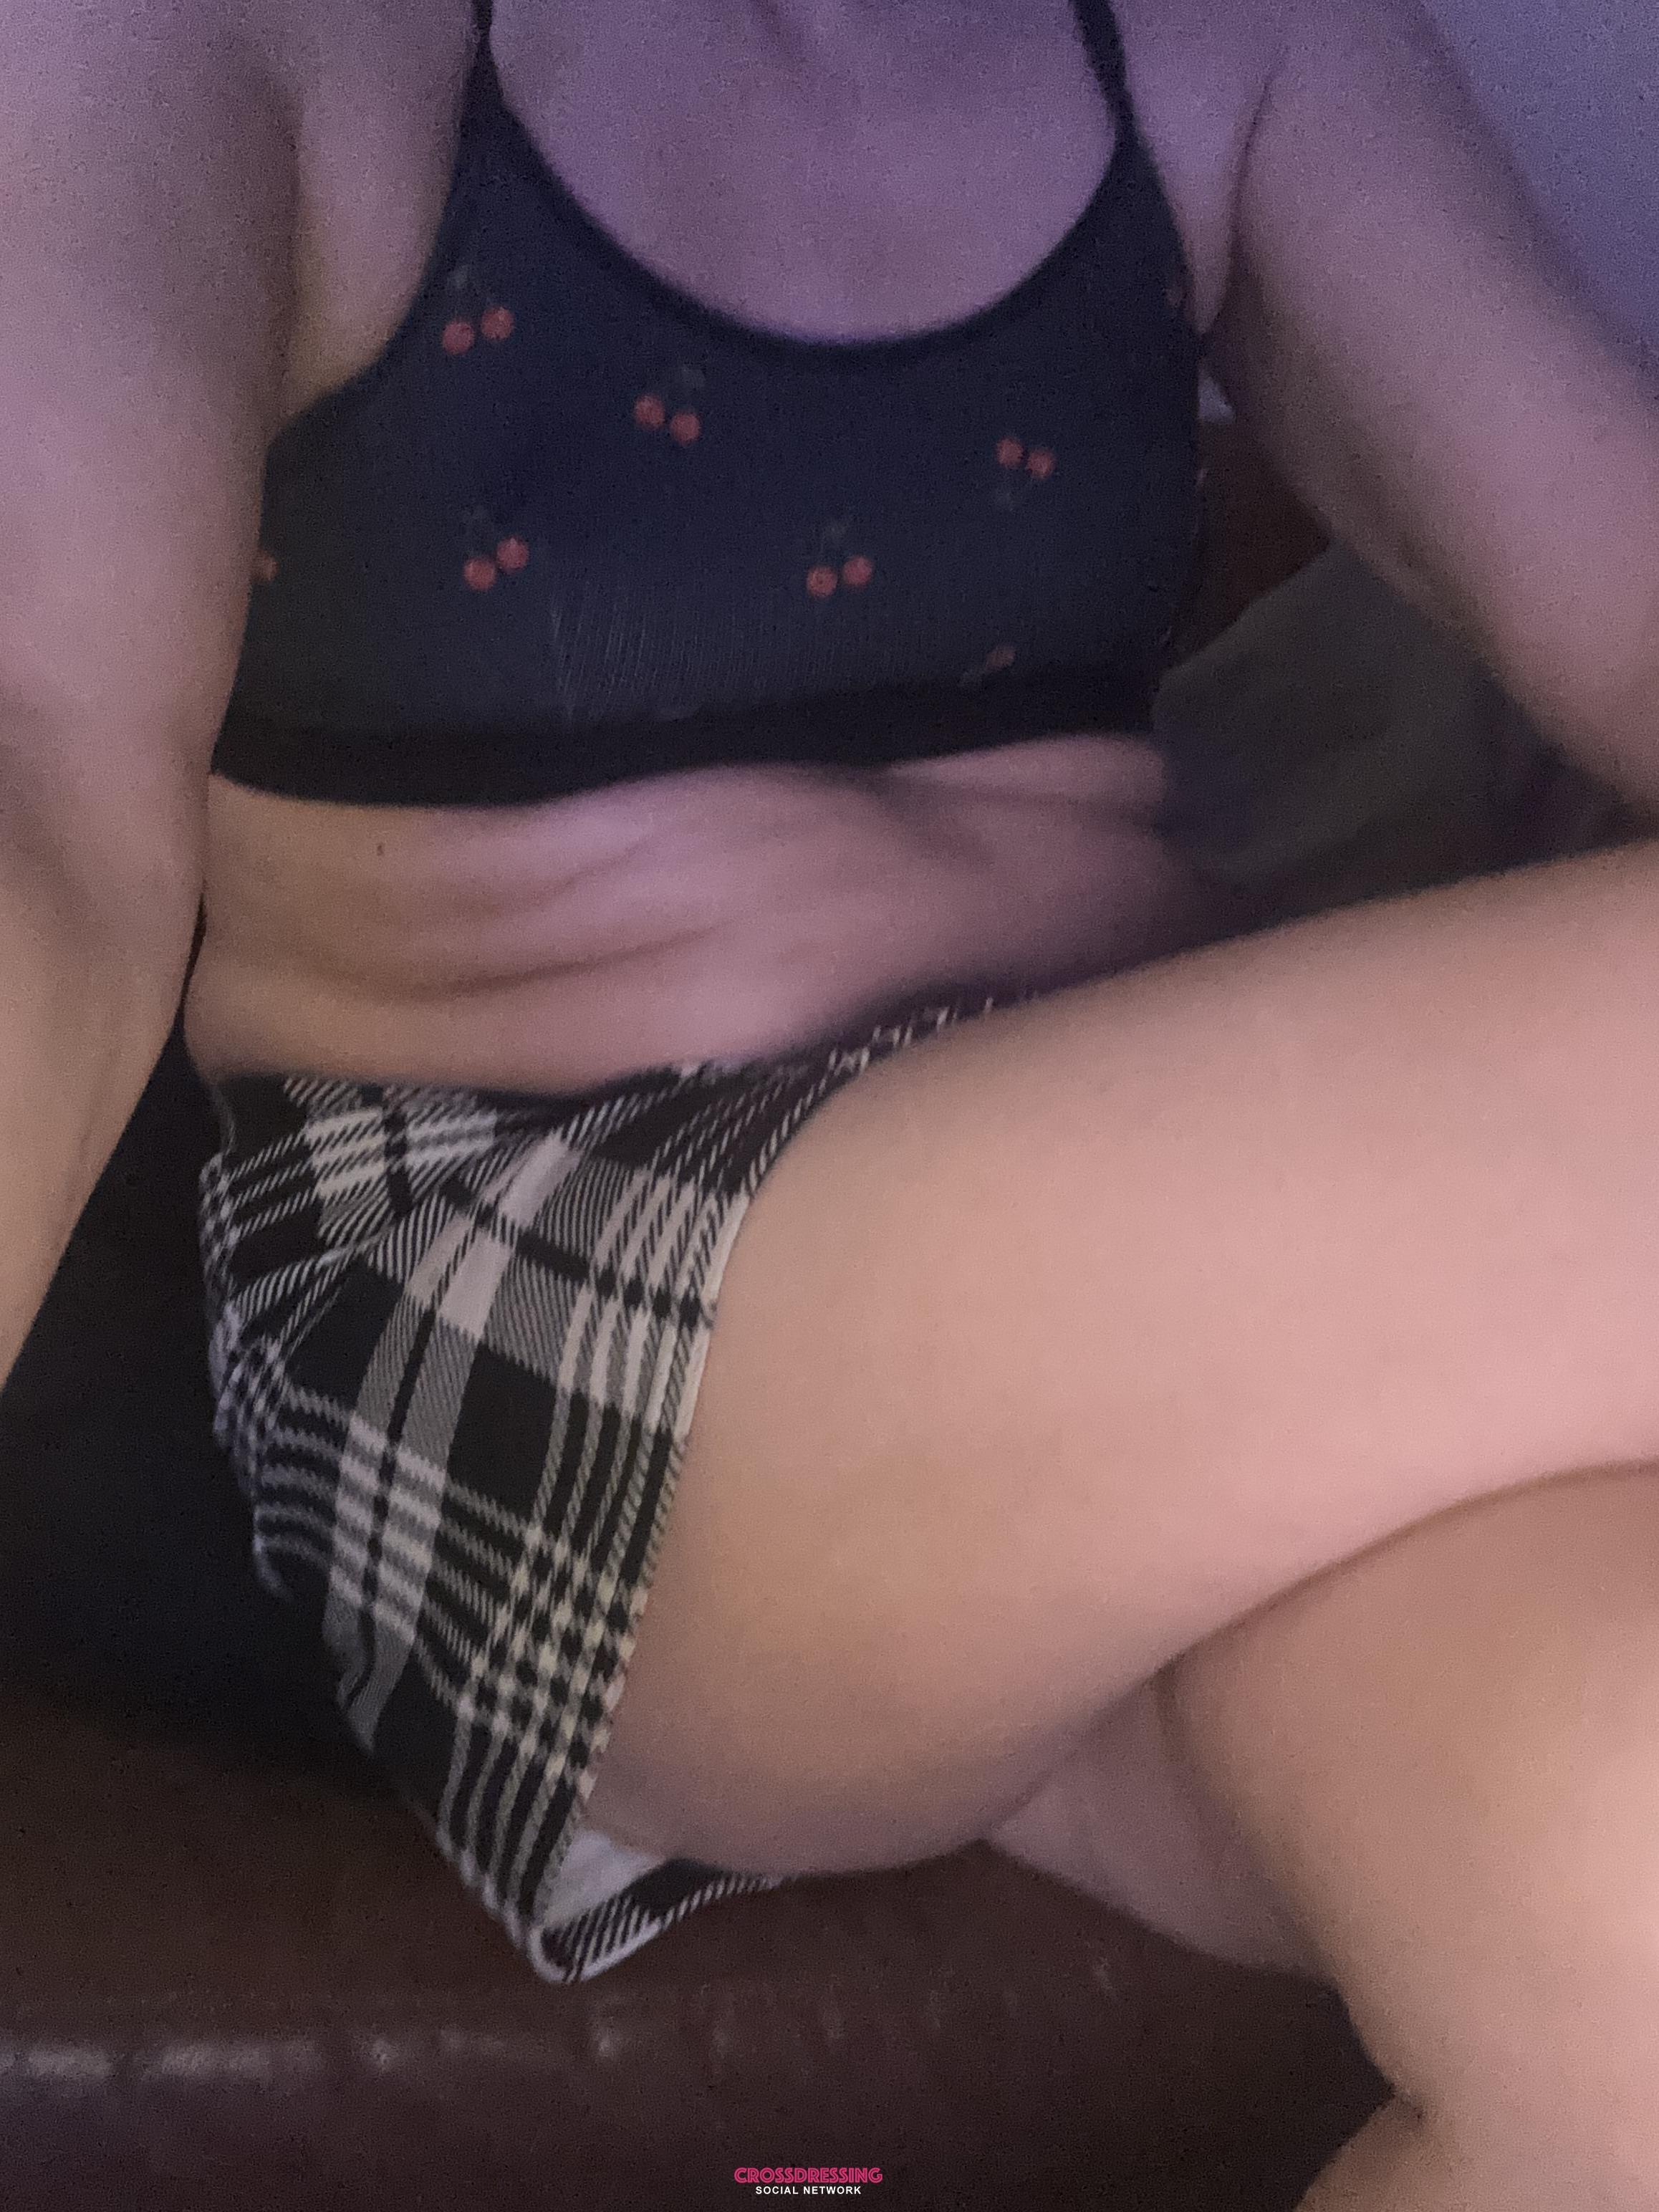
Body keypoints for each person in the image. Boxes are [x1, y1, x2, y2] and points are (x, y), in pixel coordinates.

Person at [5, 0, 1659, 2203]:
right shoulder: (215, 38)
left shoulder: (1230, 40)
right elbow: (42, 781)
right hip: (525, 1261)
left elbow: (1620, 601)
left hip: (1124, 1372)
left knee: (1619, 1925)